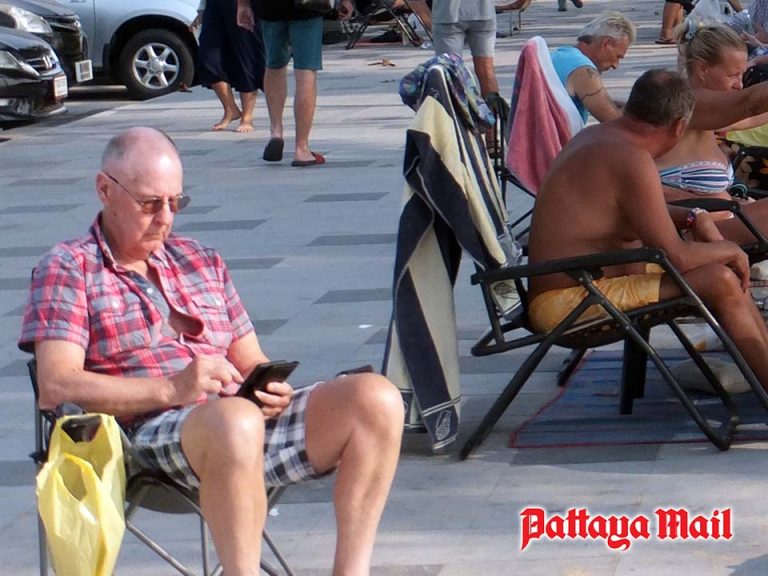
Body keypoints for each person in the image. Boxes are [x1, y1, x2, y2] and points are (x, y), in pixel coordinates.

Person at [18, 127, 405, 575]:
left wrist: (269, 386)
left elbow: (251, 358)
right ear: (105, 189)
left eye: (175, 202)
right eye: (150, 204)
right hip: (139, 437)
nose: (165, 218)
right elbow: (57, 385)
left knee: (376, 398)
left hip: (237, 424)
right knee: (234, 420)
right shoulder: (70, 268)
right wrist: (172, 388)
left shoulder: (200, 259)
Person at [527, 69, 768, 391]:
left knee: (720, 272)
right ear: (679, 126)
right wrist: (732, 250)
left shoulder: (598, 137)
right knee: (720, 278)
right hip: (568, 304)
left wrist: (694, 217)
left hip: (585, 283)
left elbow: (630, 214)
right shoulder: (631, 158)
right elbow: (679, 257)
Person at [656, 22, 768, 244]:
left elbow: (752, 116)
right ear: (703, 69)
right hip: (691, 234)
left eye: (742, 75)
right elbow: (750, 104)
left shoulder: (707, 113)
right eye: (733, 75)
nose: (739, 85)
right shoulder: (688, 104)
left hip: (719, 221)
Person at [235, 0, 329, 166]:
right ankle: (301, 148)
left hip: (270, 7)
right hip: (306, 7)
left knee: (274, 64)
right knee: (305, 70)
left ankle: (276, 131)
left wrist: (243, 5)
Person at [190, 0, 265, 132]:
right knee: (208, 59)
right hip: (214, 6)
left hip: (244, 4)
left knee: (247, 58)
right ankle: (231, 109)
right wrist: (202, 9)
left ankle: (247, 116)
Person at [550, 11, 636, 124]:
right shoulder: (583, 69)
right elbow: (614, 121)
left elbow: (601, 103)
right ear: (606, 43)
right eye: (617, 57)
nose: (615, 65)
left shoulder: (561, 55)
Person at [430, 0, 500, 98]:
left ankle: (455, 107)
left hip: (447, 13)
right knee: (486, 71)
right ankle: (493, 107)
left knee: (451, 73)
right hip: (483, 12)